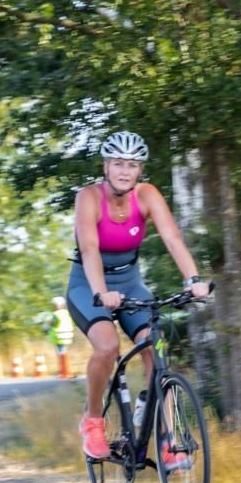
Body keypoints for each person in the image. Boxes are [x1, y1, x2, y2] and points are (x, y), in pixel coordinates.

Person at [67, 130, 209, 465]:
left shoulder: (146, 195)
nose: (125, 171)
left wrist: (193, 280)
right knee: (107, 346)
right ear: (106, 166)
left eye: (132, 164)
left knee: (153, 343)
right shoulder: (88, 197)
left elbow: (173, 239)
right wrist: (102, 292)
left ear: (139, 170)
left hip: (131, 284)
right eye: (118, 163)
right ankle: (92, 421)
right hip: (88, 285)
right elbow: (89, 249)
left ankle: (168, 440)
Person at [45, 296, 75, 375]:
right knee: (64, 352)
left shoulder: (56, 314)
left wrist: (49, 323)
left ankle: (64, 372)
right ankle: (66, 372)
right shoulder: (67, 313)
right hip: (67, 336)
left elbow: (52, 323)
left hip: (59, 337)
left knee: (61, 353)